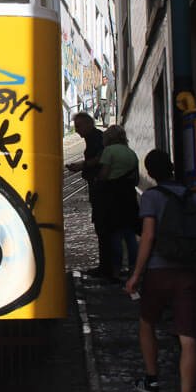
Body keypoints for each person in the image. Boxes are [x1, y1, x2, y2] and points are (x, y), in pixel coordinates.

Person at [124, 149, 196, 392]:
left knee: (147, 323)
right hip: (188, 273)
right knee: (188, 338)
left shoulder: (151, 197)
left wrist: (136, 274)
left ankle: (152, 380)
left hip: (159, 272)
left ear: (150, 173)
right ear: (172, 168)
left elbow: (147, 237)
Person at [66, 112, 109, 278]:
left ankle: (106, 268)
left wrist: (82, 165)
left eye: (78, 126)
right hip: (96, 187)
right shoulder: (93, 137)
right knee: (100, 226)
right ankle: (105, 266)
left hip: (100, 188)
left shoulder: (97, 138)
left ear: (89, 124)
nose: (77, 131)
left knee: (102, 226)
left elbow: (101, 158)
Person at [95, 125, 140, 279]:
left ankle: (116, 270)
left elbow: (104, 174)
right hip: (129, 197)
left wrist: (98, 180)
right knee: (130, 234)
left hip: (113, 198)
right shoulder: (131, 153)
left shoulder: (109, 151)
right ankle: (134, 269)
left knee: (115, 235)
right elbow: (136, 179)